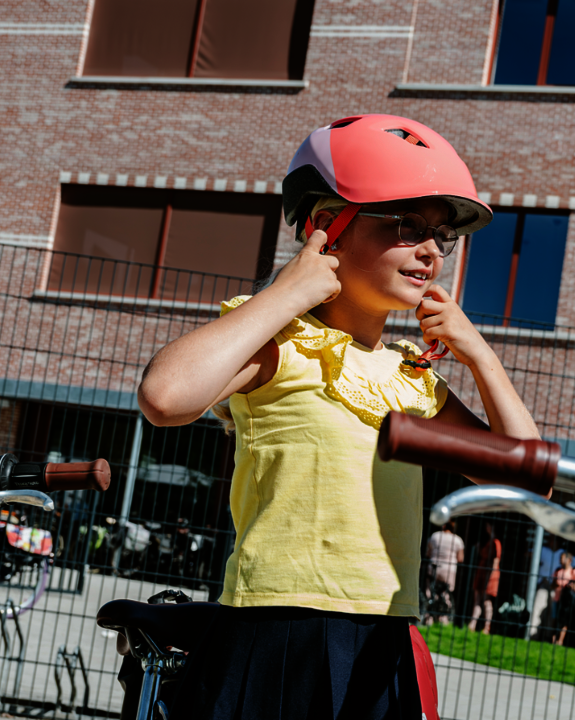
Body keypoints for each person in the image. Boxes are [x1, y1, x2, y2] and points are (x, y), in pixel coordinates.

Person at [136, 114, 540, 719]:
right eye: (407, 225)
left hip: (384, 635)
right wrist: (287, 293)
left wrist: (478, 353)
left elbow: (527, 474)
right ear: (329, 228)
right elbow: (165, 397)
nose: (432, 251)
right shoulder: (284, 345)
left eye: (442, 236)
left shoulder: (413, 378)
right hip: (278, 629)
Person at [529, 534, 575, 640]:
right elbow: (529, 553)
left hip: (559, 591)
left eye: (553, 540)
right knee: (537, 609)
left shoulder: (563, 554)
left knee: (551, 613)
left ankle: (548, 636)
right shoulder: (543, 550)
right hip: (545, 583)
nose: (550, 542)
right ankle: (532, 634)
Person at [424, 521, 464, 625]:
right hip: (449, 569)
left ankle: (429, 619)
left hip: (434, 567)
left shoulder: (435, 536)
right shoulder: (457, 539)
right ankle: (443, 619)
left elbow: (428, 553)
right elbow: (460, 558)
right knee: (446, 594)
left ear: (444, 525)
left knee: (431, 592)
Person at [468, 522, 501, 634]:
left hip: (490, 574)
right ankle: (472, 624)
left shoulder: (496, 542)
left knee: (486, 600)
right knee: (477, 599)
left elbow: (496, 560)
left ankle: (487, 627)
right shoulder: (488, 541)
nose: (486, 526)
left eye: (488, 525)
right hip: (482, 571)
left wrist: (490, 576)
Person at [551, 551, 575, 646]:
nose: (560, 560)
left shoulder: (574, 572)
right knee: (555, 619)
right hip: (557, 598)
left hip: (567, 601)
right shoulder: (558, 571)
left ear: (569, 560)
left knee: (564, 621)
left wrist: (571, 586)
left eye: (563, 558)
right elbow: (552, 585)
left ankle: (560, 640)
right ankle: (553, 639)